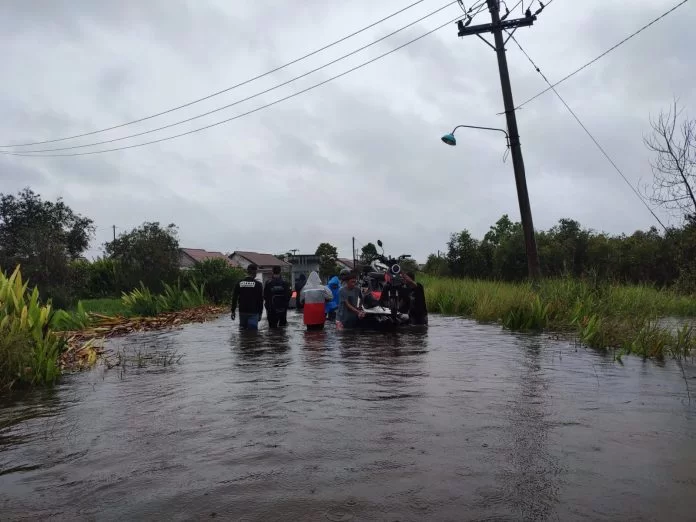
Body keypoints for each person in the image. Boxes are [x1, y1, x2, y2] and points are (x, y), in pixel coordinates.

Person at [231, 264, 264, 330]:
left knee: (243, 332)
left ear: (247, 271)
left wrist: (233, 311)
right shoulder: (258, 284)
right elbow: (260, 300)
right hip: (254, 312)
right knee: (252, 333)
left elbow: (234, 298)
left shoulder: (239, 283)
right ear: (255, 272)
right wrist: (260, 313)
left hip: (242, 311)